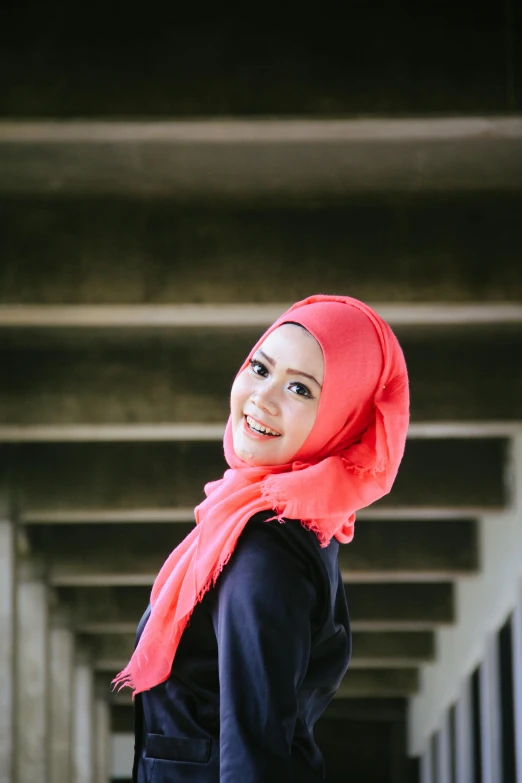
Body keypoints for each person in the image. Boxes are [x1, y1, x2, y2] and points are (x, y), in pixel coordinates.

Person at [113, 294, 410, 782]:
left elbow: (255, 751)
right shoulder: (275, 523)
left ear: (344, 419)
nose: (263, 398)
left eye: (300, 388)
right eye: (260, 368)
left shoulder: (264, 552)